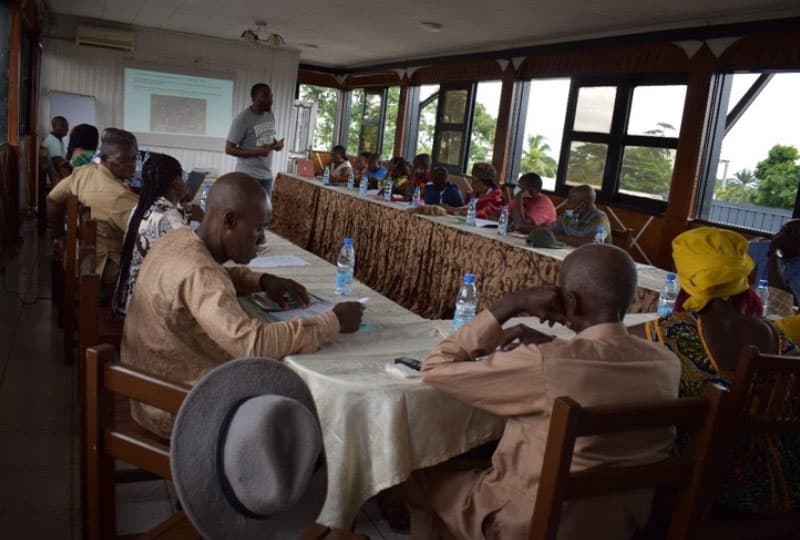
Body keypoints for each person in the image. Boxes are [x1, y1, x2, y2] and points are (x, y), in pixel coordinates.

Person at [404, 244, 680, 540]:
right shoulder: (666, 362)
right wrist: (551, 344)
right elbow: (594, 365)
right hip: (621, 524)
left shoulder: (545, 362)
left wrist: (510, 304)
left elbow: (435, 368)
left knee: (416, 479)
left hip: (531, 524)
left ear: (569, 301)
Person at [121, 173, 364, 439]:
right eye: (258, 229)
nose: (262, 240)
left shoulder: (178, 239)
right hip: (177, 410)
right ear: (230, 221)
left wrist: (263, 280)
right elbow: (253, 344)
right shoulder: (200, 272)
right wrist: (334, 321)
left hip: (149, 389)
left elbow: (212, 278)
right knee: (304, 401)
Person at [641, 226, 799, 516]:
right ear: (745, 279)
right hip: (783, 488)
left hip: (707, 493)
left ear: (687, 278)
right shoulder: (783, 341)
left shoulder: (667, 333)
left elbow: (606, 343)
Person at [47, 128, 139, 286]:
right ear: (103, 158)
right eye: (124, 159)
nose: (132, 164)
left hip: (79, 256)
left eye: (134, 158)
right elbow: (147, 234)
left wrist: (59, 236)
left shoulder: (83, 173)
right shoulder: (120, 197)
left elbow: (52, 199)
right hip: (105, 271)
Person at [113, 153, 190, 316]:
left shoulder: (141, 207)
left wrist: (181, 206)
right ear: (176, 181)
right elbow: (194, 254)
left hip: (126, 300)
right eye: (183, 178)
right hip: (144, 313)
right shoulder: (169, 218)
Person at [225, 83, 284, 195]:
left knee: (264, 212)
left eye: (271, 96)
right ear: (254, 99)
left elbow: (266, 137)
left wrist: (276, 145)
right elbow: (228, 149)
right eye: (265, 97)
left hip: (266, 176)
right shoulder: (243, 119)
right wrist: (256, 152)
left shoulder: (270, 114)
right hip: (248, 176)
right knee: (247, 212)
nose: (270, 100)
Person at [749, 219, 800, 305]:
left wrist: (774, 255)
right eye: (781, 230)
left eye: (789, 232)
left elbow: (783, 301)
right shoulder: (763, 247)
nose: (779, 236)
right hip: (757, 309)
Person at [41, 115, 69, 183]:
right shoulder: (52, 141)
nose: (67, 128)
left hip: (62, 177)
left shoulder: (57, 139)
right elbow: (60, 163)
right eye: (64, 126)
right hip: (59, 180)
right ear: (57, 127)